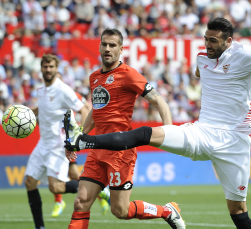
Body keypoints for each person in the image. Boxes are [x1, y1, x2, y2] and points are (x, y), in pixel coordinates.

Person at [64, 18, 251, 229]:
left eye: (214, 41)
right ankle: (85, 141)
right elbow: (200, 67)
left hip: (235, 142)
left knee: (238, 212)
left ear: (229, 41)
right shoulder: (202, 59)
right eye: (206, 39)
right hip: (203, 131)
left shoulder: (245, 54)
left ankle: (167, 209)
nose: (207, 45)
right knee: (146, 134)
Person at [63, 28, 184, 229]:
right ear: (99, 47)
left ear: (121, 49)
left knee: (120, 210)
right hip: (97, 149)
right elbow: (97, 110)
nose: (108, 49)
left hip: (120, 151)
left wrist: (169, 132)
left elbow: (159, 101)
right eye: (104, 44)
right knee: (81, 201)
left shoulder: (128, 74)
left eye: (112, 45)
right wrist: (79, 136)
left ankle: (167, 211)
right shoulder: (94, 77)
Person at [25, 54, 90, 229]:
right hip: (42, 143)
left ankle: (93, 187)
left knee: (56, 188)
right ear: (41, 68)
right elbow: (43, 108)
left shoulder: (63, 89)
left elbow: (84, 109)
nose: (48, 70)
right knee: (29, 182)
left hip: (58, 145)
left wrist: (79, 135)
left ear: (56, 68)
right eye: (45, 67)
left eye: (51, 67)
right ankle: (40, 227)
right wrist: (23, 112)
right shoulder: (42, 90)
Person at [50, 86, 111, 217]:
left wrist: (80, 133)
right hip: (53, 141)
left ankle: (59, 201)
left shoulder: (70, 95)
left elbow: (88, 109)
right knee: (72, 173)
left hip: (64, 140)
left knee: (57, 176)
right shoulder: (49, 97)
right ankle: (100, 194)